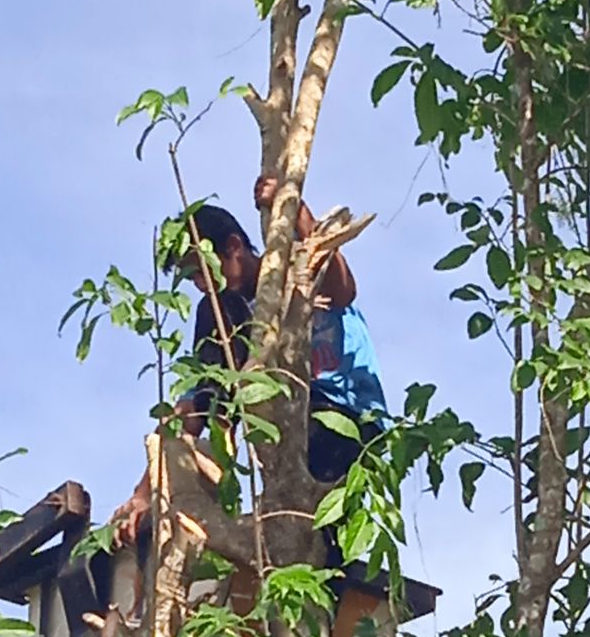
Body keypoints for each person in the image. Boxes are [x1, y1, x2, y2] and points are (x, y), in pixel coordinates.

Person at [111, 177, 387, 545]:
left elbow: (343, 289)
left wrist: (292, 206)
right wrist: (144, 492)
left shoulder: (294, 266)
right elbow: (194, 408)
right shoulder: (223, 315)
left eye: (201, 269)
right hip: (284, 433)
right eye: (190, 276)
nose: (199, 283)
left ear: (234, 247)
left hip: (345, 419)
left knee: (321, 542)